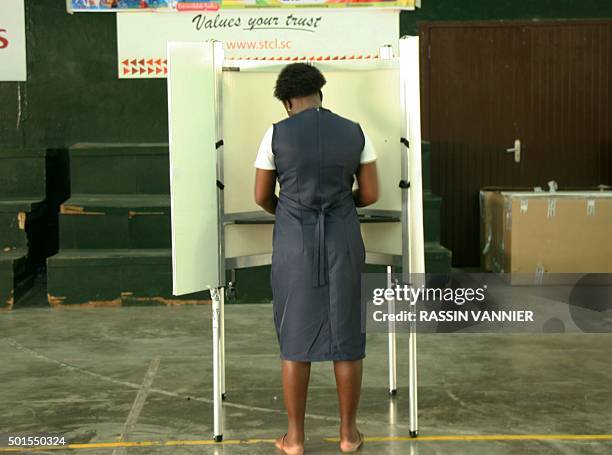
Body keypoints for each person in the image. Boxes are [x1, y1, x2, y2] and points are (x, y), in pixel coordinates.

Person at [254, 63, 379, 454]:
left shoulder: (276, 134)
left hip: (294, 243)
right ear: (319, 93)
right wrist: (343, 204)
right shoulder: (355, 131)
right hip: (343, 239)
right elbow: (371, 193)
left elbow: (260, 196)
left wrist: (290, 211)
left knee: (295, 337)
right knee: (347, 337)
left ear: (288, 102)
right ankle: (348, 435)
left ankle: (294, 438)